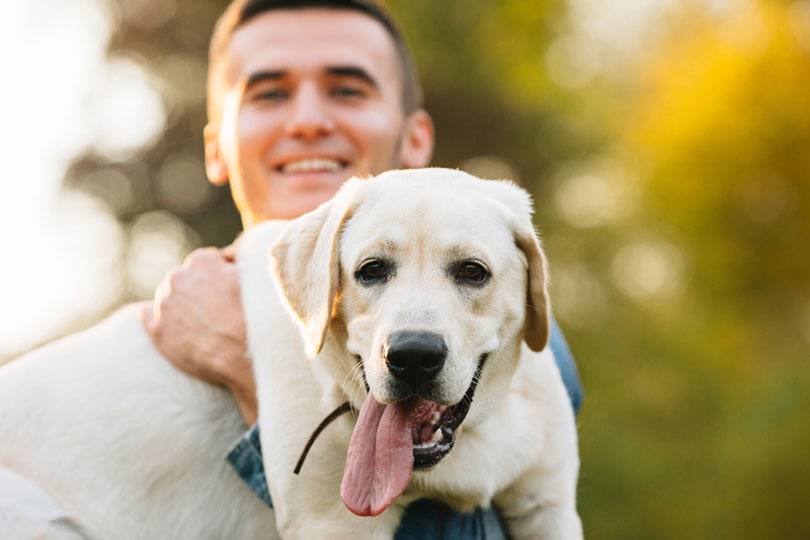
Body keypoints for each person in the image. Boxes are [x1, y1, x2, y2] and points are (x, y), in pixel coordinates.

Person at [140, 0, 583, 537]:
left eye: (347, 90)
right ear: (214, 147)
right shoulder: (188, 299)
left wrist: (241, 364)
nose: (307, 122)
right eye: (270, 93)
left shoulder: (523, 354)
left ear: (417, 137)